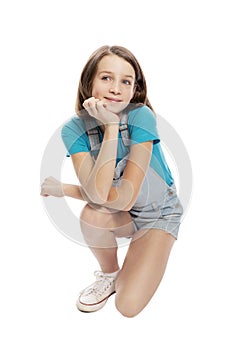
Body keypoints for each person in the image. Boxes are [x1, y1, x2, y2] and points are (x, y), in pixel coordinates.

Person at [41, 45, 183, 318]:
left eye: (126, 82)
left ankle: (146, 250)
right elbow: (98, 194)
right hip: (122, 214)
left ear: (134, 91)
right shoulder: (73, 129)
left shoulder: (141, 116)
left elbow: (126, 197)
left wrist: (64, 189)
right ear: (89, 83)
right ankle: (110, 275)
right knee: (92, 215)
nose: (116, 88)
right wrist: (109, 130)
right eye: (106, 78)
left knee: (127, 306)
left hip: (157, 215)